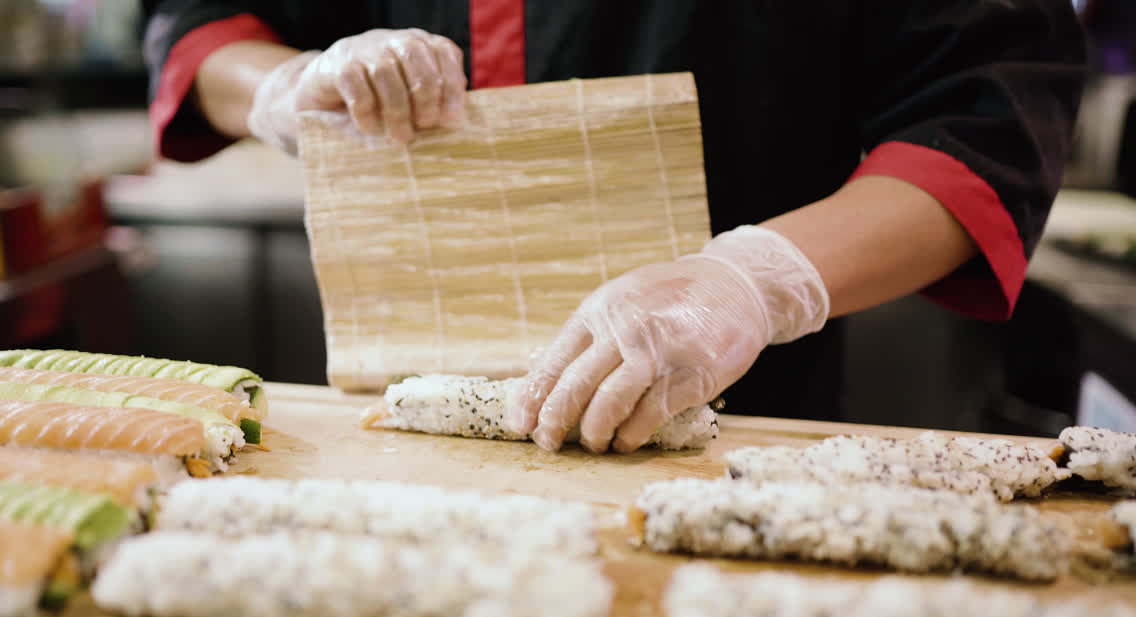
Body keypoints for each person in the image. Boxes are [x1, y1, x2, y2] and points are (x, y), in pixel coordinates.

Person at [141, 1, 1088, 453]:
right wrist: (284, 85)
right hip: (391, 423)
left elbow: (985, 112)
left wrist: (756, 281)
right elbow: (197, 23)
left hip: (730, 422)